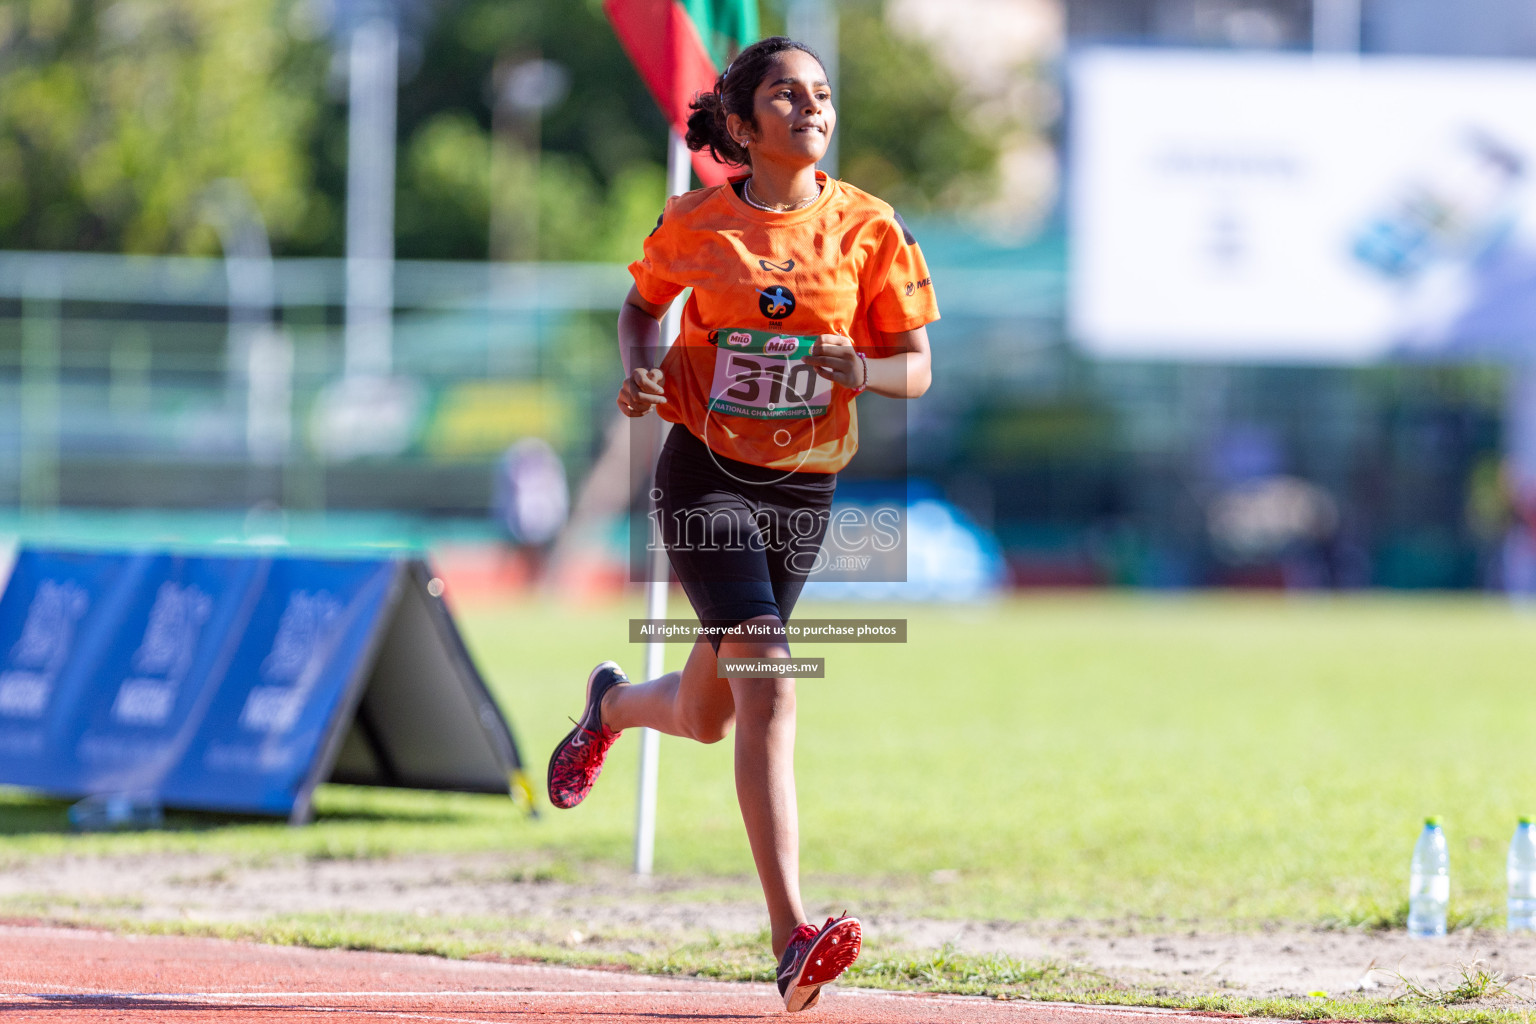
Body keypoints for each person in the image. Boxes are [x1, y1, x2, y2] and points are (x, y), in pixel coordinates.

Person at [546, 35, 937, 1013]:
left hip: (805, 492)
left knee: (709, 713)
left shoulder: (870, 228)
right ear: (743, 123)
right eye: (786, 94)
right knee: (768, 684)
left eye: (822, 92)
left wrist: (864, 370)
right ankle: (791, 936)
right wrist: (640, 368)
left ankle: (609, 706)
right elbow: (640, 309)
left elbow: (916, 367)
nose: (811, 106)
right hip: (706, 478)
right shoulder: (701, 225)